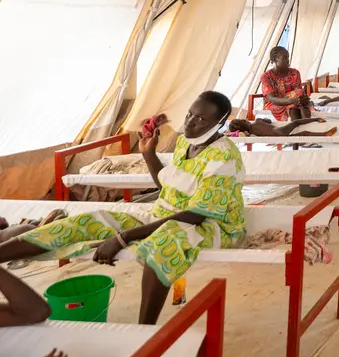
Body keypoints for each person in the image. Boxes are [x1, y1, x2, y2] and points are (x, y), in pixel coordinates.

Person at [0, 92, 245, 324]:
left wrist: (121, 238)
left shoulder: (224, 157)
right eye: (190, 113)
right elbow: (168, 187)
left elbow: (197, 214)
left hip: (211, 224)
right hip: (166, 213)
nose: (191, 122)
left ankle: (144, 331)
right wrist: (148, 153)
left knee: (162, 246)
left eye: (201, 119)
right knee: (90, 220)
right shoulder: (185, 143)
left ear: (219, 123)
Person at [260, 46, 310, 121]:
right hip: (275, 103)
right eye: (284, 58)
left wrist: (298, 99)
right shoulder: (266, 76)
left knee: (297, 100)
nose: (287, 61)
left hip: (294, 101)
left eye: (288, 57)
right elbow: (272, 99)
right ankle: (303, 123)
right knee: (294, 104)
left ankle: (300, 124)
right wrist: (292, 101)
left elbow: (298, 93)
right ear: (275, 59)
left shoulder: (295, 73)